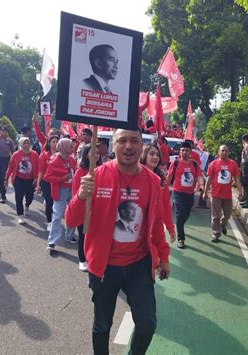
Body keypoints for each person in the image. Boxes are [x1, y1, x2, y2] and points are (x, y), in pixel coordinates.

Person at [65, 129, 170, 355]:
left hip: (139, 264)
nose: (128, 146)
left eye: (134, 140)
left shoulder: (152, 181)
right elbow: (71, 220)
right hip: (104, 266)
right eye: (122, 140)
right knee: (102, 325)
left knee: (147, 324)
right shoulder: (97, 176)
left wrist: (164, 257)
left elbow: (157, 221)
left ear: (142, 145)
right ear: (113, 146)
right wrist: (81, 196)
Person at [202, 145, 242, 242]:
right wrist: (205, 192)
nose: (224, 152)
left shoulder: (233, 164)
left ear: (229, 153)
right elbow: (209, 179)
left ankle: (223, 224)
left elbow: (236, 178)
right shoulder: (213, 164)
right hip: (215, 195)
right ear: (218, 152)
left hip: (227, 195)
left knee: (227, 215)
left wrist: (240, 191)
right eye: (222, 150)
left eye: (226, 151)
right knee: (216, 216)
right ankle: (216, 233)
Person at [168, 141, 204, 249]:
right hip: (178, 192)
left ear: (190, 152)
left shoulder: (194, 164)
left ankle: (180, 225)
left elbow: (199, 176)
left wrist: (201, 185)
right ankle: (181, 239)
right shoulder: (175, 163)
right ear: (180, 151)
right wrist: (163, 188)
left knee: (186, 214)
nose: (184, 152)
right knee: (180, 214)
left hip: (190, 193)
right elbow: (169, 177)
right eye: (182, 150)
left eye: (187, 150)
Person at [44, 138, 77, 252]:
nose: (73, 148)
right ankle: (52, 241)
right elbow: (47, 177)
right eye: (70, 146)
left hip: (72, 189)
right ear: (64, 147)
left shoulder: (72, 159)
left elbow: (75, 172)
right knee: (57, 215)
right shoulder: (55, 160)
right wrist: (61, 179)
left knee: (73, 213)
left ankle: (69, 235)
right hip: (61, 190)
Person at [73, 143, 102, 271]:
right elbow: (75, 191)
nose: (96, 155)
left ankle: (94, 257)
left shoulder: (102, 169)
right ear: (86, 154)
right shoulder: (80, 171)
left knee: (96, 236)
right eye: (93, 152)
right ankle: (82, 258)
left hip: (98, 209)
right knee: (83, 234)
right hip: (84, 209)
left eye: (97, 153)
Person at [140, 143, 176, 243]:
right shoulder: (135, 176)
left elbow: (165, 204)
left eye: (157, 154)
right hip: (139, 225)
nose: (155, 157)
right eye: (151, 154)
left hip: (156, 226)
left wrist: (170, 227)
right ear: (143, 155)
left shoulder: (161, 178)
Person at [4, 137, 39, 224]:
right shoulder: (16, 155)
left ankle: (27, 205)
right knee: (19, 198)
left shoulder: (34, 154)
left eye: (28, 143)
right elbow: (10, 167)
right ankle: (20, 215)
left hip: (30, 180)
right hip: (19, 179)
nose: (26, 145)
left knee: (30, 197)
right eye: (24, 143)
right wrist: (6, 178)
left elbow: (38, 167)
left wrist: (36, 178)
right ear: (21, 144)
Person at [36, 135, 60, 231]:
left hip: (58, 182)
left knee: (57, 203)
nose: (55, 143)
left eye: (56, 141)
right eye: (53, 141)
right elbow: (41, 171)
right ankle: (49, 222)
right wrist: (38, 184)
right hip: (46, 182)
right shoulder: (44, 155)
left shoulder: (61, 155)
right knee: (49, 203)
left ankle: (55, 221)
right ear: (49, 143)